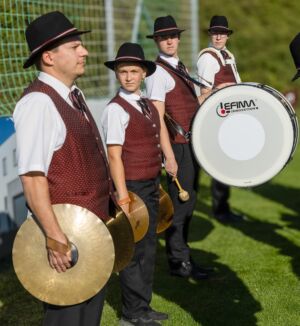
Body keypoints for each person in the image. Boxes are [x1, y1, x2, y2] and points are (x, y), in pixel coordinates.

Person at [13, 11, 113, 326]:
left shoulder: (73, 95)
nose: (84, 52)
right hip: (65, 239)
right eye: (74, 46)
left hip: (90, 233)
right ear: (49, 57)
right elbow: (32, 178)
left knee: (88, 318)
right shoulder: (38, 104)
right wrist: (56, 238)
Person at [101, 42, 168, 326]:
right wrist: (123, 196)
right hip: (131, 187)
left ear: (143, 74)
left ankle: (144, 306)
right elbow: (114, 156)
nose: (128, 76)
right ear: (117, 74)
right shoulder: (115, 110)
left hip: (150, 183)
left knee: (149, 246)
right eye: (122, 71)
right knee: (133, 250)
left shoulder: (144, 104)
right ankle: (132, 314)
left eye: (133, 71)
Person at [145, 15, 212, 281]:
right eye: (164, 37)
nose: (170, 40)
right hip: (177, 147)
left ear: (179, 38)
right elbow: (157, 117)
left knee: (190, 201)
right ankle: (178, 262)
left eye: (173, 36)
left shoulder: (178, 66)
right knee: (180, 205)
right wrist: (168, 156)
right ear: (157, 41)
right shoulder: (157, 72)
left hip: (190, 144)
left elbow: (187, 103)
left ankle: (184, 256)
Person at [196, 15, 243, 223]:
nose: (218, 36)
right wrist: (219, 89)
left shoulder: (227, 54)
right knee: (220, 164)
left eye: (222, 33)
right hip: (218, 117)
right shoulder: (208, 57)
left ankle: (223, 207)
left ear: (227, 36)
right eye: (215, 33)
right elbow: (205, 91)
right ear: (210, 34)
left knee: (225, 164)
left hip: (228, 117)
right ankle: (220, 210)